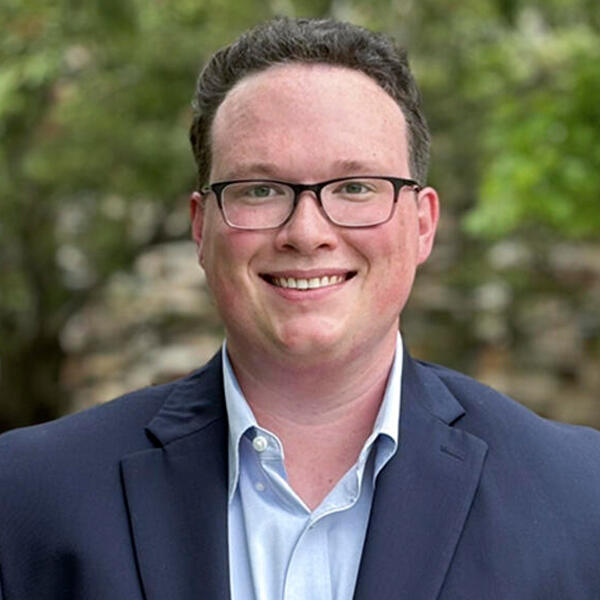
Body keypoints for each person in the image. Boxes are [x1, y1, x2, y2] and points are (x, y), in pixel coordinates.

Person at [0, 17, 599, 600]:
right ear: (200, 227)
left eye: (355, 187)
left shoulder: (581, 497)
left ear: (422, 225)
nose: (306, 232)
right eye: (259, 190)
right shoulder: (27, 494)